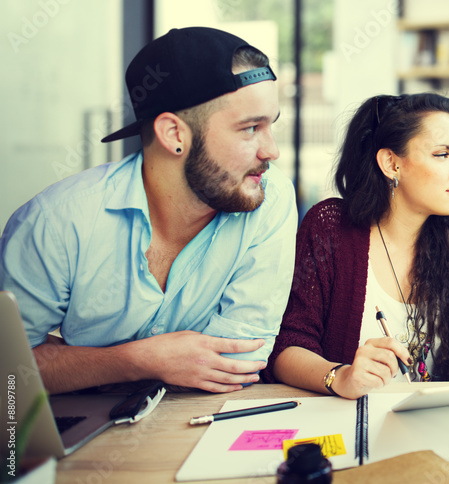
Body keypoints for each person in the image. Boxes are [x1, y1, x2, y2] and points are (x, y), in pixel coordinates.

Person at [0, 27, 296, 395]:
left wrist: (76, 362)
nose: (272, 151)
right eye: (250, 128)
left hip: (200, 426)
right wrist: (139, 360)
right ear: (174, 134)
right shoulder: (55, 223)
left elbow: (237, 363)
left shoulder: (270, 198)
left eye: (271, 125)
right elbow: (9, 373)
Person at [264, 93, 449, 421]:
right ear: (391, 164)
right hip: (349, 425)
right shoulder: (329, 228)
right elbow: (287, 345)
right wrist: (339, 376)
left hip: (445, 427)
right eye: (442, 154)